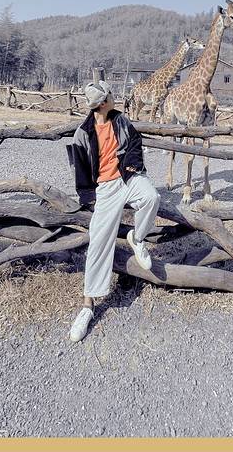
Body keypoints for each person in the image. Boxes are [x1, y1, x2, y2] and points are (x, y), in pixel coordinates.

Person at [68, 80, 161, 343]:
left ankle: (137, 238)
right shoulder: (82, 133)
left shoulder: (121, 121)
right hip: (105, 188)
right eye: (109, 95)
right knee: (99, 241)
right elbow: (79, 168)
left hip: (127, 178)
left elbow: (135, 144)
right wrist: (89, 197)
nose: (113, 97)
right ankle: (88, 305)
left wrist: (131, 167)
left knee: (151, 197)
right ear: (102, 103)